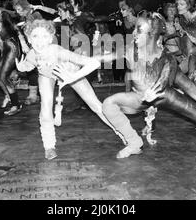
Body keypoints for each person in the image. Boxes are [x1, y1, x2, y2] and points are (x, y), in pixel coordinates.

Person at [102, 12, 196, 159]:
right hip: (144, 97)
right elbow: (106, 58)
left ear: (151, 34)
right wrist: (79, 59)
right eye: (135, 29)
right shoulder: (131, 49)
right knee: (109, 103)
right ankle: (134, 142)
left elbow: (166, 83)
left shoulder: (167, 58)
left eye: (138, 30)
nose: (133, 33)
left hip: (165, 95)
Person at [16, 19, 125, 160]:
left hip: (71, 73)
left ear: (51, 38)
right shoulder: (32, 54)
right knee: (45, 107)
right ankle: (49, 146)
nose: (40, 41)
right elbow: (28, 65)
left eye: (44, 36)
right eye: (35, 36)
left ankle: (123, 133)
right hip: (47, 76)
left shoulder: (58, 51)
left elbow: (92, 62)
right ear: (30, 39)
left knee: (96, 105)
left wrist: (73, 77)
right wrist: (20, 66)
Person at [12, 0, 57, 105]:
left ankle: (43, 96)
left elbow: (40, 28)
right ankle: (33, 95)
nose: (18, 12)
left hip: (41, 45)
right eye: (16, 10)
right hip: (32, 45)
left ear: (25, 8)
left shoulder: (35, 14)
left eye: (19, 9)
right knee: (32, 70)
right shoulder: (24, 18)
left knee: (42, 69)